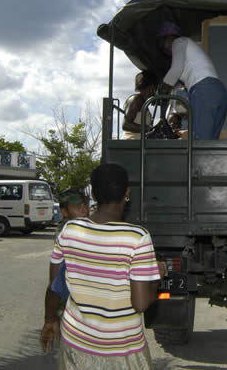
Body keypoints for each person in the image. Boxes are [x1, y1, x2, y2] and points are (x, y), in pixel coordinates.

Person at [40, 163, 165, 369]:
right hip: (122, 350)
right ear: (127, 193)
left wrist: (49, 319)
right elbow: (141, 303)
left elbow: (55, 285)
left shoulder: (69, 230)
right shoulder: (137, 238)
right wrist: (157, 277)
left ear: (94, 195)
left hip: (76, 345)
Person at [156, 22, 227, 140]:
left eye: (162, 45)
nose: (165, 50)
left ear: (169, 37)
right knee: (210, 143)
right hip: (219, 92)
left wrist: (163, 88)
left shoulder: (179, 42)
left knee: (199, 142)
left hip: (204, 90)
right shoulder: (190, 51)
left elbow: (176, 69)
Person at [51, 188, 90, 301]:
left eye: (85, 206)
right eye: (78, 207)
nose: (84, 210)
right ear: (64, 212)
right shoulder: (65, 231)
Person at [123, 70, 158, 140]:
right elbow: (126, 125)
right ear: (151, 87)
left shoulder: (144, 102)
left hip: (140, 143)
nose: (155, 91)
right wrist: (148, 128)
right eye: (155, 88)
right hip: (133, 143)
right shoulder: (136, 100)